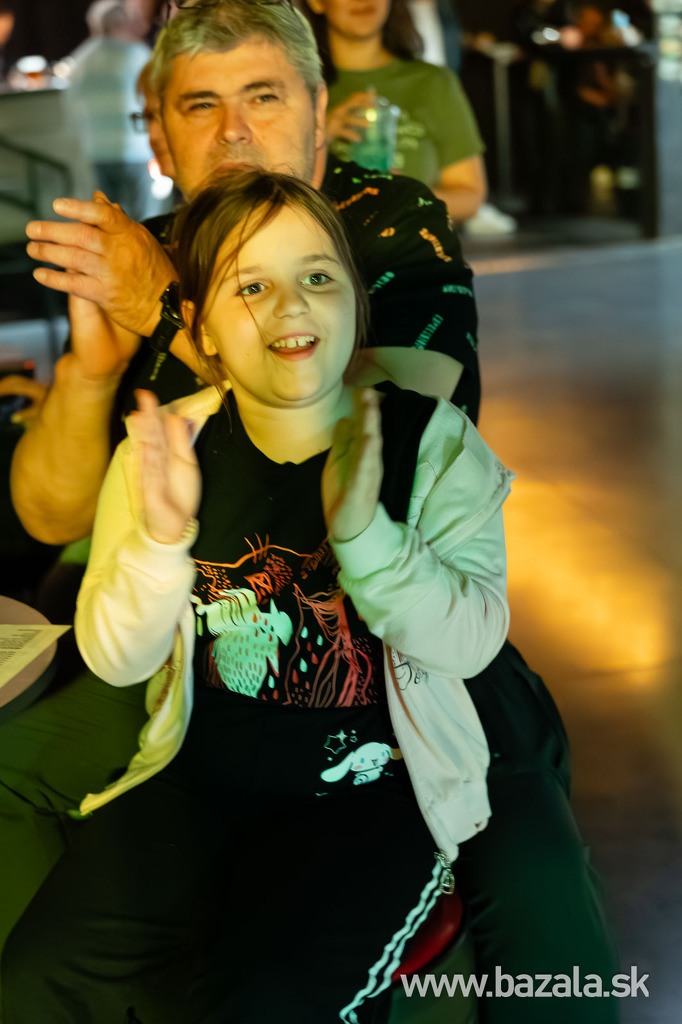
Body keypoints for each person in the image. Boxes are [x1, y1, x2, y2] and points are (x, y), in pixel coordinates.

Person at [3, 3, 619, 1022]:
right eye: (200, 105)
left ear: (319, 111)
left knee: (541, 901)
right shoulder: (147, 249)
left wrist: (166, 311)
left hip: (400, 647)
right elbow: (45, 511)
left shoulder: (386, 218)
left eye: (263, 96)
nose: (234, 131)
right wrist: (93, 369)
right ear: (159, 135)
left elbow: (401, 417)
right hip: (189, 634)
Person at [2, 168, 513, 1024]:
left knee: (269, 1003)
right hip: (194, 789)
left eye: (317, 276)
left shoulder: (433, 443)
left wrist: (368, 538)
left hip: (372, 803)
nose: (290, 304)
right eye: (251, 286)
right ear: (199, 323)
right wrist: (161, 541)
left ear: (356, 303)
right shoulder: (165, 451)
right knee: (34, 984)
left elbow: (470, 642)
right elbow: (117, 660)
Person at [301, 0, 487, 222]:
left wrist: (400, 196)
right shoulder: (299, 88)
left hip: (413, 241)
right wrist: (319, 133)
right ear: (316, 3)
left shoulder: (433, 82)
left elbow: (470, 197)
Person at [66, 0, 156, 222]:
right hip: (136, 151)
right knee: (144, 220)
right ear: (121, 23)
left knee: (108, 218)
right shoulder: (137, 54)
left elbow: (71, 106)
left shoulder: (81, 58)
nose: (141, 26)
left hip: (96, 152)